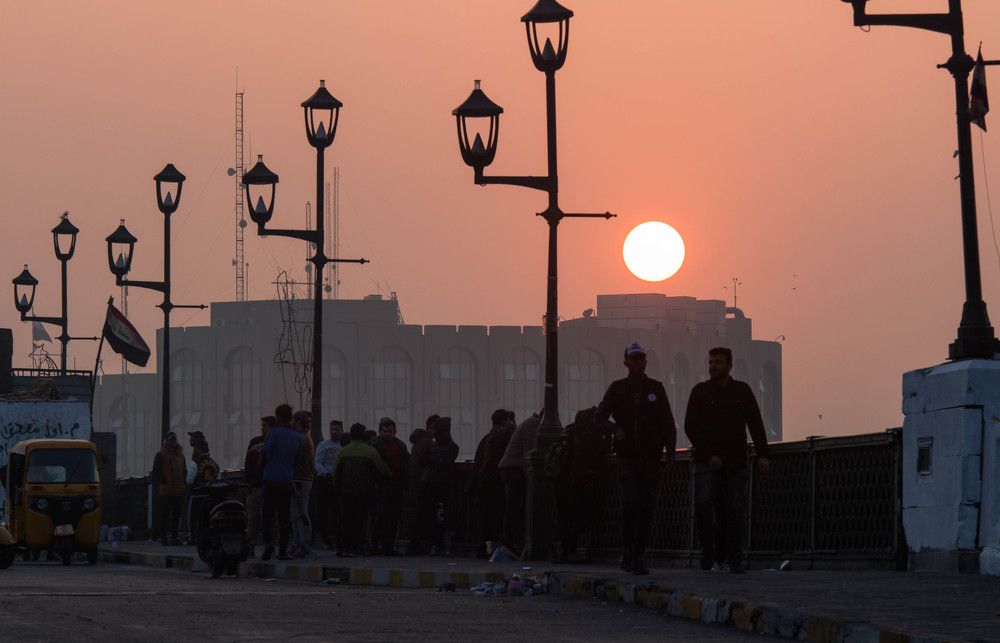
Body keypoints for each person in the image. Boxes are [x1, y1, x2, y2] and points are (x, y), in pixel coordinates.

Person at [685, 347, 771, 574]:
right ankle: (709, 555)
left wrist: (763, 454)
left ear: (729, 366)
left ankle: (733, 559)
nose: (713, 366)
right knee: (704, 507)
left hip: (735, 462)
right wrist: (709, 454)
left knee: (733, 510)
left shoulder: (742, 392)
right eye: (711, 362)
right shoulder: (700, 392)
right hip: (706, 463)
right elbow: (690, 427)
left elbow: (755, 424)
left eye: (718, 362)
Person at [596, 342, 676, 576]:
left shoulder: (656, 388)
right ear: (626, 363)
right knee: (630, 504)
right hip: (627, 457)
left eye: (641, 358)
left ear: (645, 362)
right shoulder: (617, 388)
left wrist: (670, 452)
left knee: (647, 507)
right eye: (634, 358)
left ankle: (638, 554)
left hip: (651, 457)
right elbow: (599, 416)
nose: (638, 362)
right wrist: (615, 429)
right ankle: (628, 552)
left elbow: (667, 422)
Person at [553, 408, 607, 563]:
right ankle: (569, 550)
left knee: (565, 516)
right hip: (581, 479)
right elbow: (601, 451)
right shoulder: (591, 432)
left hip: (561, 480)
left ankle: (560, 546)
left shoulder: (568, 430)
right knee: (581, 517)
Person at [334, 423, 391, 556]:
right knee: (360, 522)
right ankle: (355, 547)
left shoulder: (343, 451)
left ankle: (344, 548)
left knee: (346, 520)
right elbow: (383, 470)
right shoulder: (370, 452)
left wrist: (338, 490)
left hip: (345, 492)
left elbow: (336, 473)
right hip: (364, 492)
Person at [470, 409, 516, 557]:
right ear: (505, 420)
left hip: (484, 482)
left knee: (485, 518)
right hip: (497, 482)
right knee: (497, 517)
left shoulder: (488, 437)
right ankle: (494, 550)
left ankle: (484, 549)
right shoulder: (507, 435)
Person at [260, 404, 302, 561]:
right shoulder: (298, 437)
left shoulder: (273, 433)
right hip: (286, 482)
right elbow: (296, 460)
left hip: (270, 480)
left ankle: (268, 543)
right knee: (284, 517)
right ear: (290, 418)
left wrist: (262, 469)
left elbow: (264, 453)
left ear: (277, 417)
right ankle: (283, 551)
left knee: (267, 515)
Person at [497, 411, 539, 557]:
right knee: (514, 506)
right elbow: (529, 450)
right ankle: (507, 541)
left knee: (513, 506)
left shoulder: (529, 422)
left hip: (509, 469)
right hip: (514, 469)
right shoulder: (534, 424)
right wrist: (531, 476)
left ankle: (507, 541)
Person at [371, 417, 410, 555]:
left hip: (396, 485)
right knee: (381, 516)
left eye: (390, 431)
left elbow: (405, 463)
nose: (388, 433)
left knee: (393, 517)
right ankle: (376, 545)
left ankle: (387, 546)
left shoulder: (400, 445)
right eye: (385, 431)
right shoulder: (375, 445)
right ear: (380, 431)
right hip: (381, 486)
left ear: (394, 431)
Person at [244, 416, 275, 557]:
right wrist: (248, 482)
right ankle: (250, 545)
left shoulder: (275, 442)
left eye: (265, 426)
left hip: (269, 486)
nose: (263, 428)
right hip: (255, 486)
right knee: (252, 518)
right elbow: (248, 464)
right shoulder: (255, 442)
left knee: (270, 519)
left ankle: (271, 544)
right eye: (262, 425)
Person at [313, 420, 344, 550]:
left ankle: (339, 540)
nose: (334, 432)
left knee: (338, 512)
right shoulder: (323, 445)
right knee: (323, 512)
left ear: (341, 430)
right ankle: (326, 540)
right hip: (324, 482)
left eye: (337, 429)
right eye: (332, 429)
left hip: (339, 483)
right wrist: (326, 473)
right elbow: (317, 463)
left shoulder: (343, 446)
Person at [151, 432, 186, 546]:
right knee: (164, 515)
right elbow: (155, 472)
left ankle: (174, 537)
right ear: (166, 441)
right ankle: (164, 538)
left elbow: (183, 471)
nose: (172, 442)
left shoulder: (181, 456)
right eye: (170, 440)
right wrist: (163, 481)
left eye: (174, 440)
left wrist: (183, 483)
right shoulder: (160, 455)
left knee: (176, 515)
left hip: (178, 490)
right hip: (165, 491)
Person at [289, 410, 315, 558]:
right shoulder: (304, 438)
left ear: (298, 422)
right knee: (295, 514)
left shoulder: (301, 439)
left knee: (301, 512)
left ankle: (304, 545)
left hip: (300, 479)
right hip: (299, 479)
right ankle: (298, 544)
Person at [185, 431, 220, 544]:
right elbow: (217, 480)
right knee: (208, 519)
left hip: (197, 497)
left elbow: (189, 481)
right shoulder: (214, 464)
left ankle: (193, 539)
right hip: (212, 497)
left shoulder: (195, 463)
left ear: (197, 449)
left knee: (194, 519)